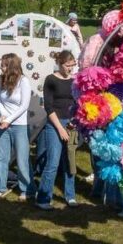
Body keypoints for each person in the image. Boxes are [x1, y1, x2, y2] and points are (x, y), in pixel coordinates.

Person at [31, 51, 77, 210]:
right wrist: (60, 128)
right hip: (54, 124)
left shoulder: (74, 81)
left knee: (69, 161)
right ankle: (43, 198)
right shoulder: (51, 80)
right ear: (59, 63)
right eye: (67, 66)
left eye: (72, 65)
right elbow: (49, 107)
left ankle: (70, 196)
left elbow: (77, 103)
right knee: (53, 162)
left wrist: (74, 122)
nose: (70, 69)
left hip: (71, 124)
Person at [0, 54, 32, 201]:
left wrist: (9, 120)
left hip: (19, 126)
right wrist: (3, 116)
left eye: (3, 65)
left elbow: (24, 106)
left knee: (22, 159)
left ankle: (26, 189)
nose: (0, 67)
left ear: (11, 67)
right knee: (1, 157)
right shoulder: (2, 79)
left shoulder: (24, 81)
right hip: (4, 124)